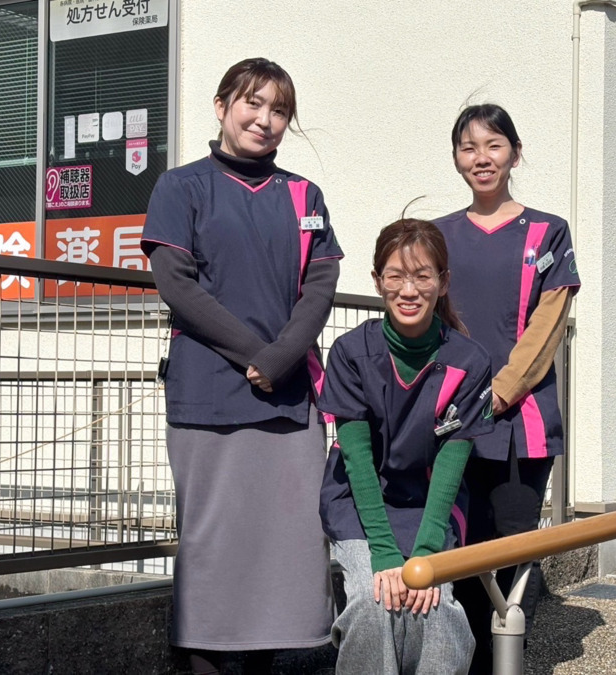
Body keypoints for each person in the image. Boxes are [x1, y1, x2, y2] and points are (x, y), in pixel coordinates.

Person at [140, 58, 342, 675]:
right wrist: (256, 356)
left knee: (286, 542)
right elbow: (177, 284)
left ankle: (267, 657)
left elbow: (321, 281)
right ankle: (202, 660)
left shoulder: (305, 195)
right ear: (222, 105)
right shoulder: (182, 186)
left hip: (288, 399)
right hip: (208, 394)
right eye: (253, 104)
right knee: (212, 539)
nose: (265, 119)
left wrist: (280, 359)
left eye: (279, 110)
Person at [434, 103, 581, 673]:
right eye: (468, 148)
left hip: (521, 422)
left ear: (514, 154)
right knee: (461, 549)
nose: (481, 158)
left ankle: (509, 659)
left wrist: (498, 393)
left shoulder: (548, 231)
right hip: (452, 421)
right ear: (456, 160)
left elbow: (547, 327)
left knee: (514, 550)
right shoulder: (439, 236)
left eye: (493, 145)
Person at [318, 219, 495, 675]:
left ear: (443, 282)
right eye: (395, 276)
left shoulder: (469, 361)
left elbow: (453, 465)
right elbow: (356, 460)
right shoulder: (351, 353)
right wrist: (383, 552)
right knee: (373, 602)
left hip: (431, 508)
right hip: (360, 506)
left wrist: (425, 553)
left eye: (422, 276)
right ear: (377, 281)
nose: (408, 290)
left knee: (432, 606)